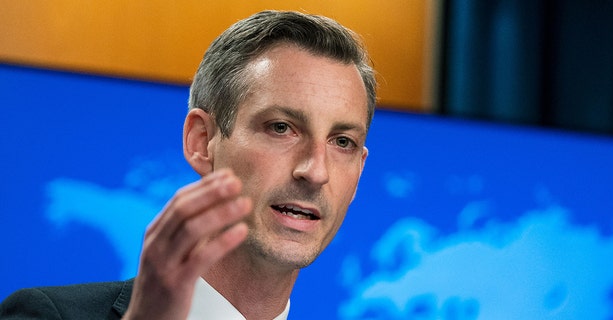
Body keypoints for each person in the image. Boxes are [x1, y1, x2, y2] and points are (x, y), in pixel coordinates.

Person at [0, 9, 377, 320]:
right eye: (281, 128)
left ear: (359, 172)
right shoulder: (44, 315)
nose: (315, 170)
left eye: (342, 142)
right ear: (202, 142)